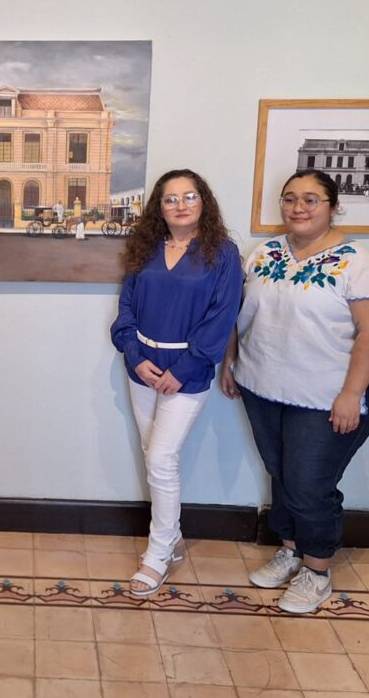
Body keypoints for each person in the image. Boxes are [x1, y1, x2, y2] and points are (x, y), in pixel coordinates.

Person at [220, 170, 369, 614]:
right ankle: (292, 548)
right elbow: (240, 313)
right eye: (290, 198)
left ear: (333, 206)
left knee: (309, 484)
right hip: (263, 384)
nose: (299, 207)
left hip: (328, 395)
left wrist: (352, 395)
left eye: (311, 200)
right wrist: (230, 363)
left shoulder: (358, 262)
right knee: (281, 474)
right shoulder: (265, 253)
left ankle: (317, 571)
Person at [110, 169, 242, 597]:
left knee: (162, 459)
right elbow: (125, 309)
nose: (180, 205)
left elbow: (221, 320)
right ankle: (174, 537)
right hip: (142, 368)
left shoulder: (222, 254)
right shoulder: (144, 249)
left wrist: (181, 370)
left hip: (189, 371)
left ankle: (158, 554)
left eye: (189, 196)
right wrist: (134, 354)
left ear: (203, 201)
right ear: (159, 207)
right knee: (153, 454)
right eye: (170, 199)